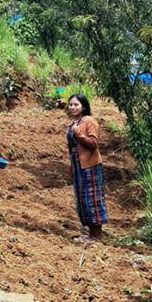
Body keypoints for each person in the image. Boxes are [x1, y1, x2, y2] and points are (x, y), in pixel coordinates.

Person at [66, 94, 108, 242]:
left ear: (83, 106)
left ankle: (97, 236)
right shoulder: (75, 122)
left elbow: (93, 144)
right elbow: (72, 148)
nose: (72, 107)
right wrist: (72, 166)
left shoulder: (89, 121)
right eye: (70, 105)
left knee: (93, 199)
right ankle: (91, 234)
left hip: (90, 166)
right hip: (78, 165)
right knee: (83, 199)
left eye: (76, 105)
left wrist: (78, 133)